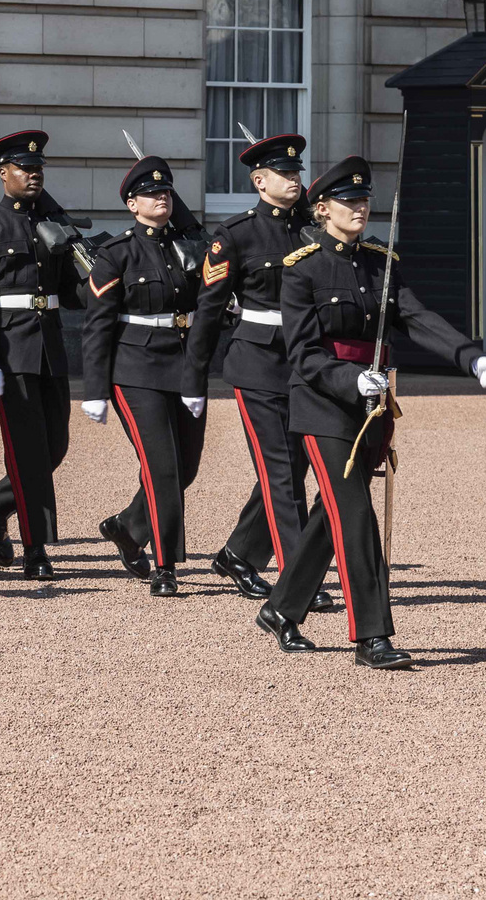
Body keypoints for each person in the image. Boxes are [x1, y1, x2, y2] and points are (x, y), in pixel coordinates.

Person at [255, 156, 486, 669]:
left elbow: (416, 317)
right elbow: (303, 354)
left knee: (333, 514)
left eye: (364, 199)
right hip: (323, 405)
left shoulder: (380, 261)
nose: (360, 207)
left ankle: (281, 608)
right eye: (348, 201)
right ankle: (372, 635)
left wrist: (470, 355)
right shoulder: (302, 269)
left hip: (373, 407)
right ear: (322, 209)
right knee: (356, 516)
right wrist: (349, 377)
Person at [186, 132, 333, 612]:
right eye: (284, 174)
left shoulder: (314, 230)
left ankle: (238, 554)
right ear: (259, 180)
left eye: (297, 173)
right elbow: (208, 311)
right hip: (258, 364)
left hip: (307, 363)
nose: (294, 180)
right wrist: (194, 379)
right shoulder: (235, 235)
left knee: (295, 465)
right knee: (281, 475)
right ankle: (298, 580)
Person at [0, 130, 89, 576]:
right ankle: (37, 548)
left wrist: (100, 280)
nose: (34, 176)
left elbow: (69, 293)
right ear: (3, 173)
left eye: (38, 170)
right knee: (29, 451)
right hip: (11, 351)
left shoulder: (51, 221)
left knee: (55, 446)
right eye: (25, 170)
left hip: (49, 346)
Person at [82, 156, 207, 595]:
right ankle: (166, 564)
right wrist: (94, 389)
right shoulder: (116, 253)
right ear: (132, 205)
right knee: (162, 468)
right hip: (135, 369)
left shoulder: (189, 246)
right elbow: (98, 324)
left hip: (184, 365)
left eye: (167, 192)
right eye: (153, 194)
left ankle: (129, 527)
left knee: (186, 467)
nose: (162, 198)